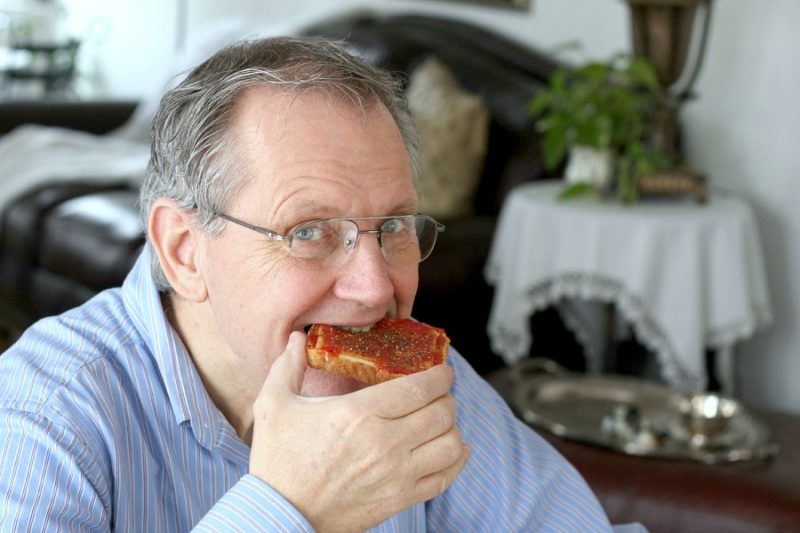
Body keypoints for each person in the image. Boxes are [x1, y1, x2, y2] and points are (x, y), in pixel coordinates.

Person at [0, 36, 642, 532]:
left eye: (393, 224)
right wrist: (288, 511)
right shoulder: (45, 412)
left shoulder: (413, 382)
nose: (373, 289)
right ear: (184, 250)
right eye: (309, 232)